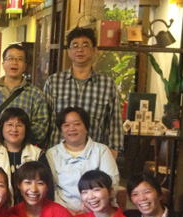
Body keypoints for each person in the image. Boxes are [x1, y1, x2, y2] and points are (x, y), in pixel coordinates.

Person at [43, 27, 123, 158]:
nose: (80, 49)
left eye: (85, 45)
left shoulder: (107, 84)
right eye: (75, 45)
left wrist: (111, 155)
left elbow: (115, 124)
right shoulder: (54, 82)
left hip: (94, 157)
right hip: (58, 156)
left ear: (94, 50)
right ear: (69, 51)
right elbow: (45, 120)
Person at [46, 107, 120, 214]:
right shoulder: (52, 154)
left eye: (77, 124)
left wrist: (92, 206)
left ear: (86, 128)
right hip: (64, 212)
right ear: (61, 129)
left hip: (99, 211)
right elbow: (50, 188)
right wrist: (64, 210)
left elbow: (112, 183)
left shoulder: (101, 150)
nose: (72, 129)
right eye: (66, 125)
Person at [0, 44, 48, 146]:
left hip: (22, 152)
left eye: (19, 59)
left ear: (25, 66)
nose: (14, 62)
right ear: (3, 64)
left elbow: (41, 129)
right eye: (10, 58)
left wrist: (16, 136)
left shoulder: (35, 94)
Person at [0, 108, 50, 204]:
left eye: (19, 125)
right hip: (1, 208)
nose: (14, 129)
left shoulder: (37, 154)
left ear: (26, 129)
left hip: (32, 209)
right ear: (2, 128)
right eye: (10, 125)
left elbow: (48, 186)